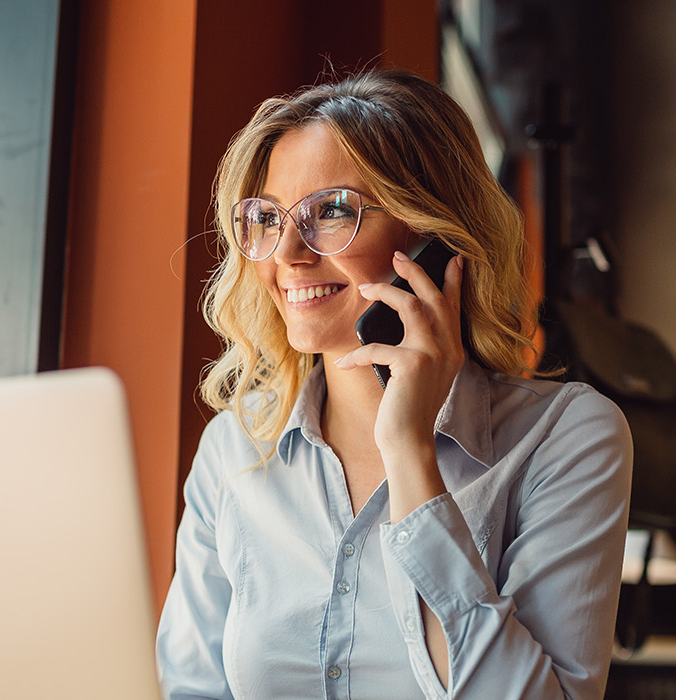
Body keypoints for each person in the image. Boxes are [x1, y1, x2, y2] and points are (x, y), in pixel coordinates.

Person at [156, 70, 633, 700]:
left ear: (434, 238)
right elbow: (191, 690)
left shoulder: (568, 438)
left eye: (331, 211)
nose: (288, 255)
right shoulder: (235, 448)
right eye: (268, 219)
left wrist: (409, 452)